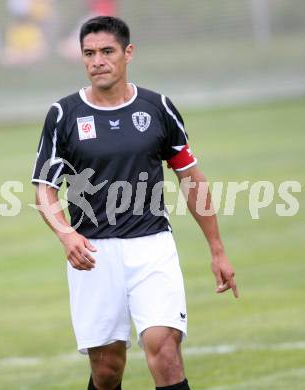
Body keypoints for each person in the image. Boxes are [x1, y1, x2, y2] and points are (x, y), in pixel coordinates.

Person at [32, 16, 238, 390]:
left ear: (128, 53)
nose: (98, 61)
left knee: (165, 350)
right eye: (89, 53)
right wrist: (67, 236)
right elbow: (45, 188)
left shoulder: (157, 107)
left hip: (152, 245)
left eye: (107, 51)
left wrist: (217, 249)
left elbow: (190, 178)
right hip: (93, 254)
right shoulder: (64, 115)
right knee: (108, 368)